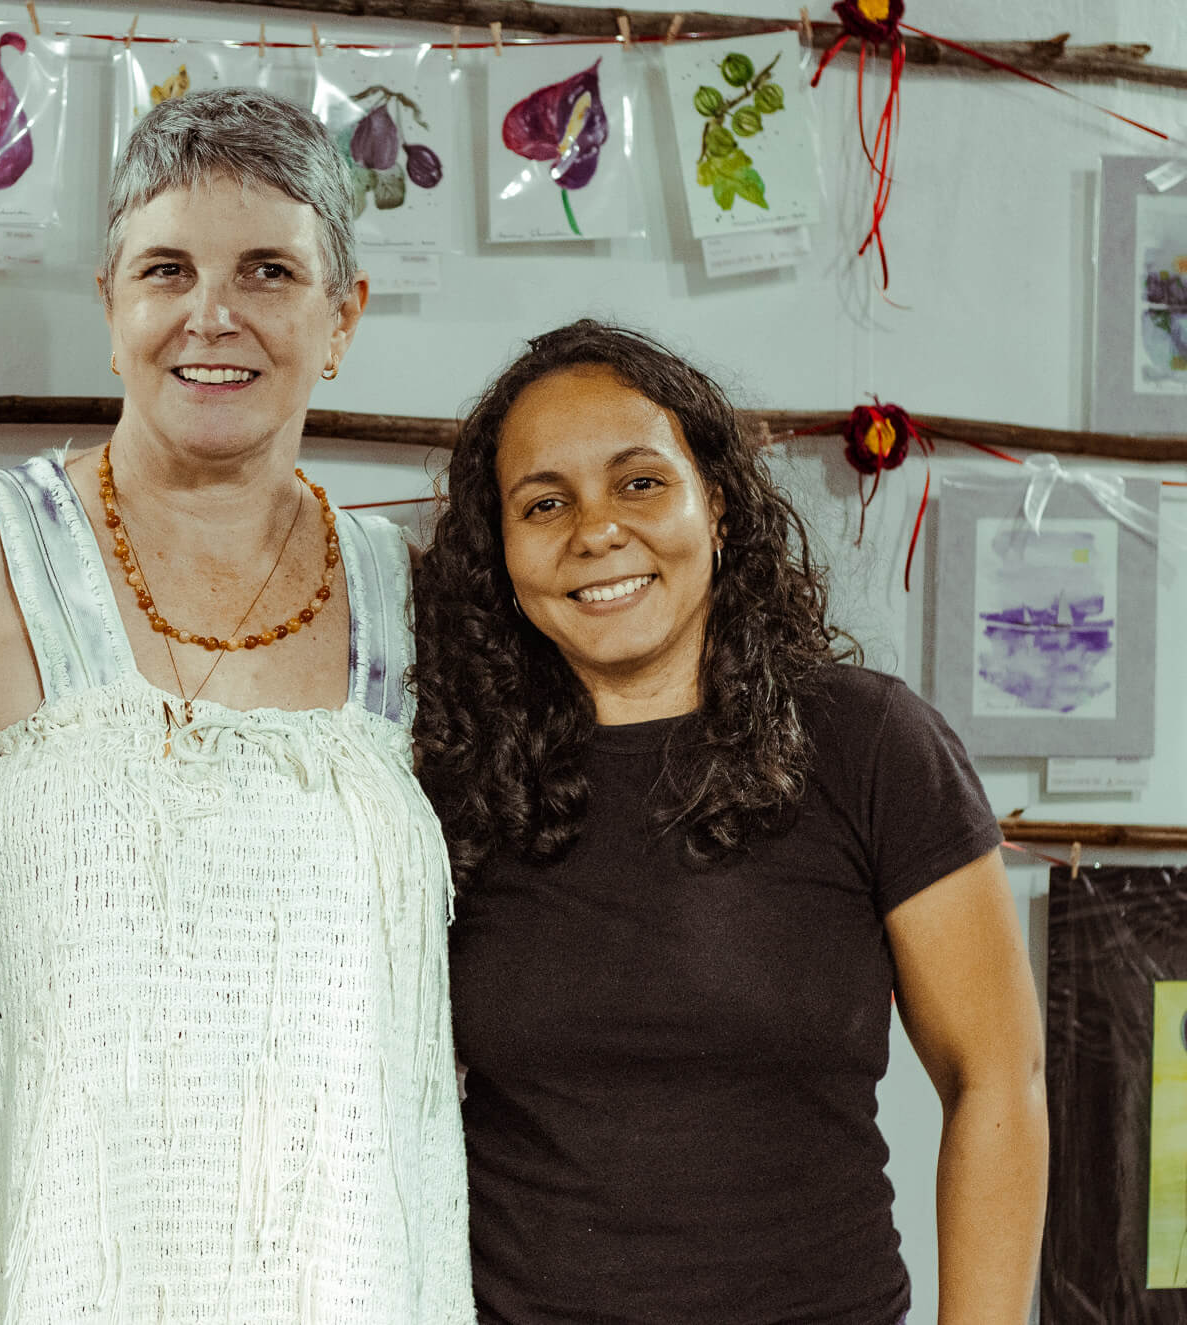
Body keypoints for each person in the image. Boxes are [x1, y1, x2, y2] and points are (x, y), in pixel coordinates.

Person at [0, 86, 471, 1321]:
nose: (211, 316)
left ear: (342, 317)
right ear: (110, 307)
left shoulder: (421, 608)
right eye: (167, 270)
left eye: (268, 271)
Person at [413, 320, 1048, 1325]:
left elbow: (996, 1080)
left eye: (639, 482)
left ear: (714, 502)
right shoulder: (446, 779)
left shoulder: (869, 744)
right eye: (544, 503)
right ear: (500, 549)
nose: (595, 531)